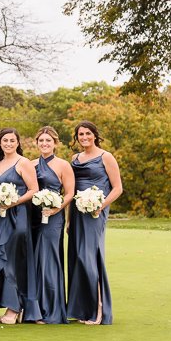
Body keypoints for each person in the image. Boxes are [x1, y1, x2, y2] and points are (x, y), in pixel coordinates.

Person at [67, 121, 122, 325]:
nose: (84, 137)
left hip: (95, 212)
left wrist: (100, 205)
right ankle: (84, 309)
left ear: (95, 135)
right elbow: (71, 190)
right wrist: (69, 219)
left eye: (88, 133)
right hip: (77, 211)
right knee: (77, 258)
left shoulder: (106, 157)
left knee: (89, 257)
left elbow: (117, 188)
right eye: (80, 134)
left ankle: (99, 309)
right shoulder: (75, 158)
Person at [0, 127, 39, 325]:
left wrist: (13, 202)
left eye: (12, 140)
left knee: (13, 260)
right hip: (0, 217)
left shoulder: (23, 162)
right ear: (0, 143)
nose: (8, 143)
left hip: (18, 216)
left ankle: (14, 307)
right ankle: (6, 304)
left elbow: (34, 190)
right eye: (5, 140)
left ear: (18, 143)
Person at [30, 126, 74, 324]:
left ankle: (51, 309)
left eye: (48, 141)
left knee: (48, 258)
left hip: (53, 217)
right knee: (34, 259)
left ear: (55, 143)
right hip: (34, 217)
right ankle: (34, 309)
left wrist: (57, 209)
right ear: (37, 143)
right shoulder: (31, 164)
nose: (44, 144)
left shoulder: (63, 165)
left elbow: (70, 193)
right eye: (41, 141)